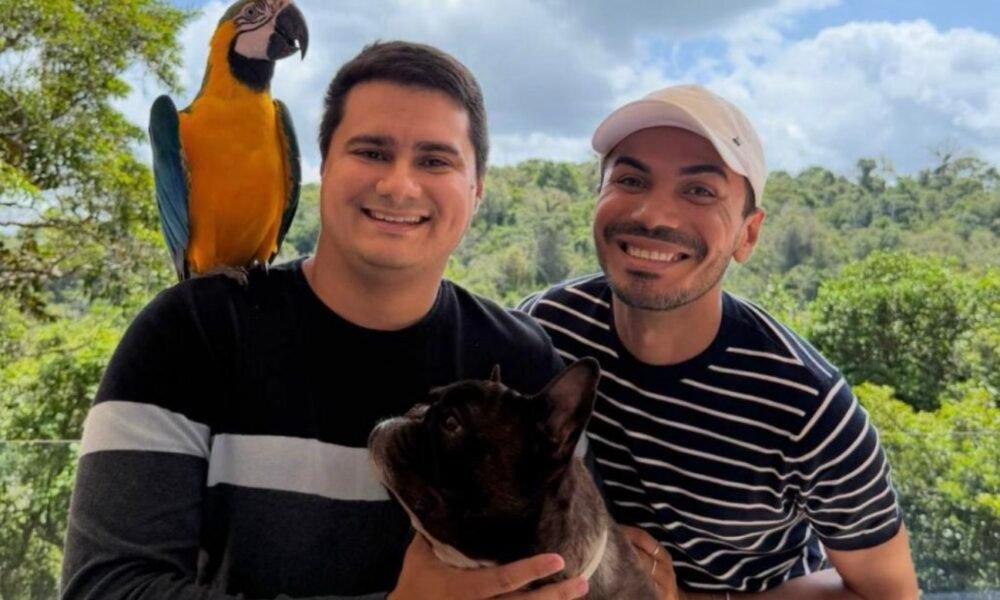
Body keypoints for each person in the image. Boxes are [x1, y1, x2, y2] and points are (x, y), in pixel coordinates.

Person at [61, 41, 589, 600]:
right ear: (321, 168)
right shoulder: (189, 333)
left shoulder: (521, 360)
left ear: (477, 190)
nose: (398, 186)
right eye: (372, 152)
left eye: (435, 161)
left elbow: (579, 567)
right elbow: (105, 587)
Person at [519, 85, 920, 599]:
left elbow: (889, 592)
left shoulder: (806, 406)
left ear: (748, 235)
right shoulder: (547, 329)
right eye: (630, 179)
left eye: (700, 191)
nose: (653, 215)